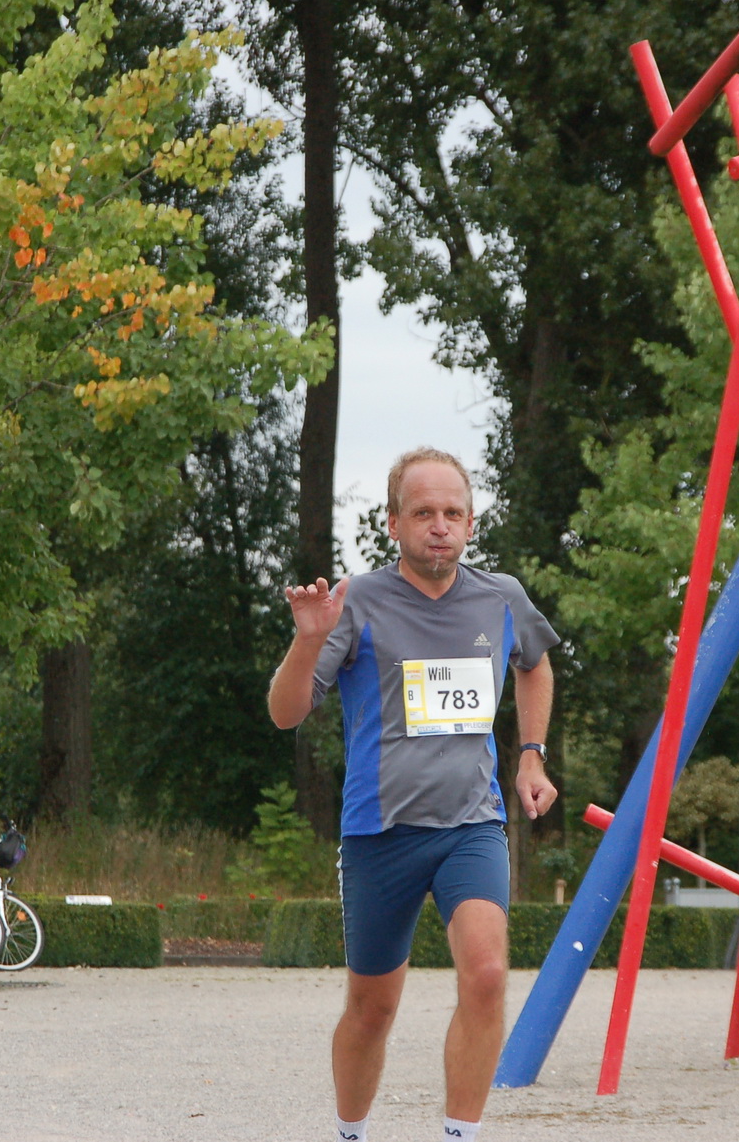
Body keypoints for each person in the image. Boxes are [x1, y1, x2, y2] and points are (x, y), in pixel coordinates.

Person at [267, 448, 559, 1142]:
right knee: (372, 1007)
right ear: (393, 522)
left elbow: (535, 666)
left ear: (471, 521)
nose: (439, 526)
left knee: (487, 974)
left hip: (472, 824)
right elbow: (285, 712)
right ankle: (350, 1131)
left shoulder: (501, 596)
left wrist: (530, 757)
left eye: (452, 513)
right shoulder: (358, 600)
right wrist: (309, 641)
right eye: (423, 512)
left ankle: (461, 1134)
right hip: (380, 830)